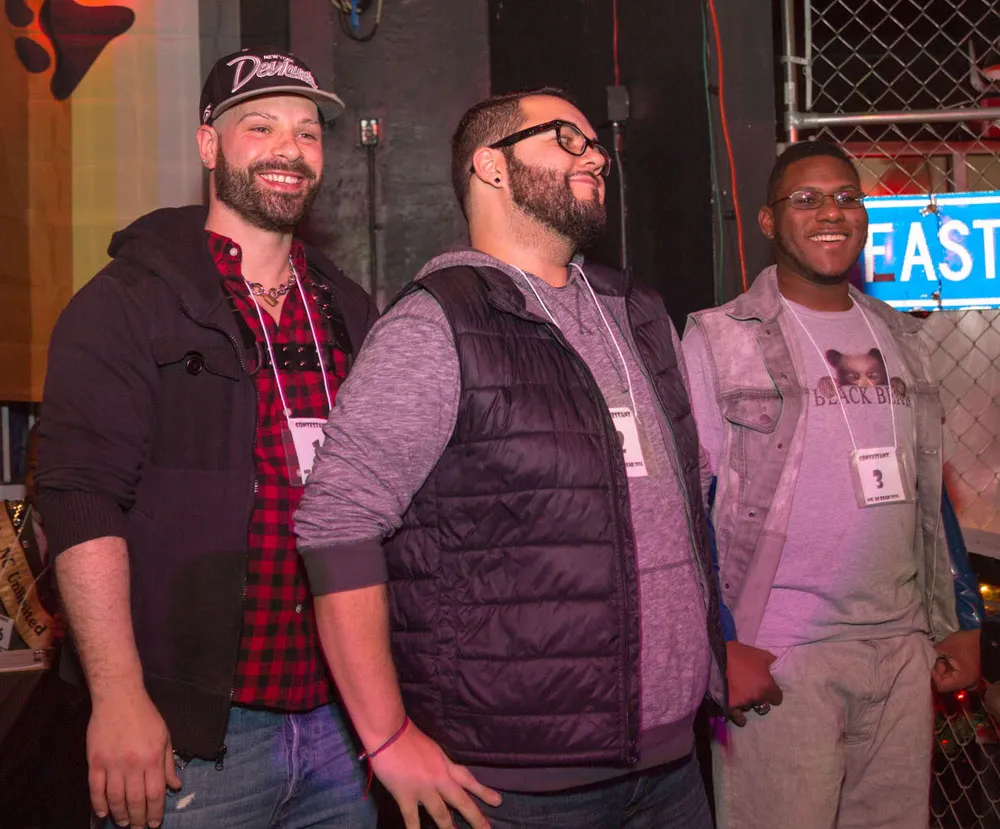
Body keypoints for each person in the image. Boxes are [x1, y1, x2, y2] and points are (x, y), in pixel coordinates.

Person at [294, 88, 726, 829]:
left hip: (671, 765)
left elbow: (685, 505)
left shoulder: (638, 312)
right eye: (567, 138)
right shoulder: (437, 323)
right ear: (491, 166)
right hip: (513, 785)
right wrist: (387, 738)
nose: (596, 158)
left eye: (597, 144)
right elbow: (336, 525)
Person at [35, 48, 378, 829]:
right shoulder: (128, 301)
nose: (290, 148)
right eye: (260, 126)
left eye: (307, 132)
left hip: (338, 720)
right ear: (207, 145)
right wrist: (119, 695)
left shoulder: (347, 308)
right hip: (191, 737)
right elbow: (81, 498)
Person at [681, 139, 981, 828]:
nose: (831, 213)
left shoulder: (902, 336)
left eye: (847, 198)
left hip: (901, 649)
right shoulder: (720, 337)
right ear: (767, 220)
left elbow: (928, 490)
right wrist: (722, 642)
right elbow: (688, 504)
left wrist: (959, 618)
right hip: (782, 656)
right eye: (807, 199)